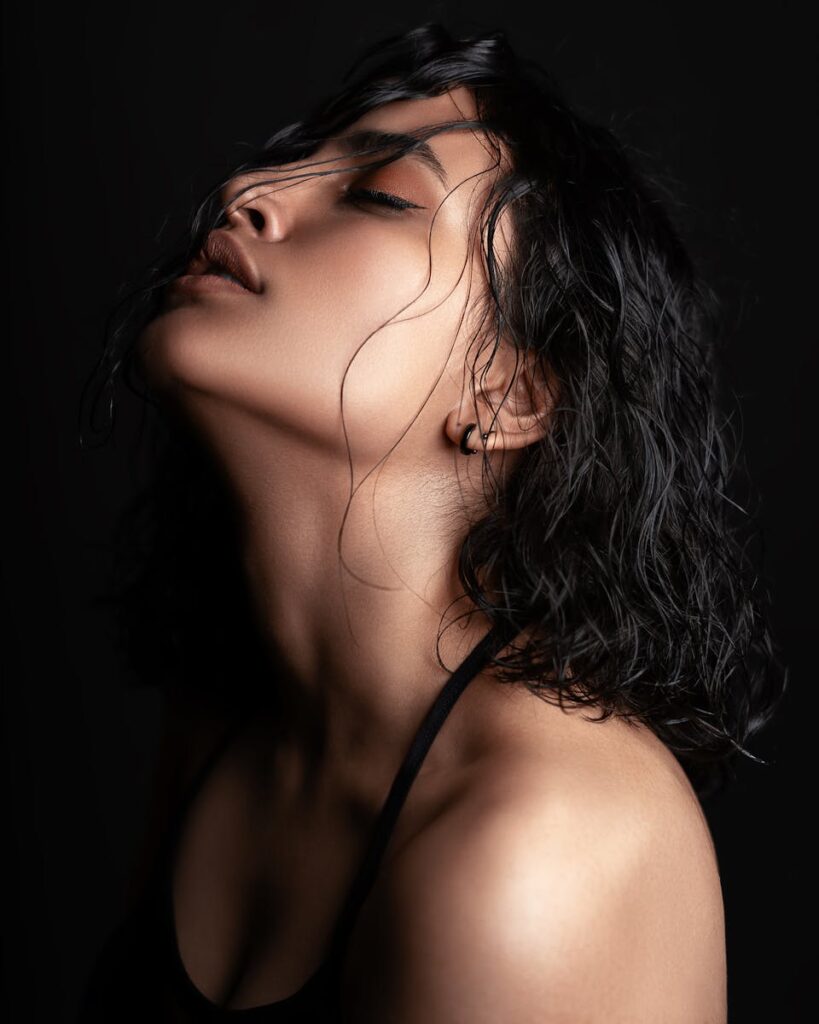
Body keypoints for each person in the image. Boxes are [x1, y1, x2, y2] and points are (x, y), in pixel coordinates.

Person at [76, 21, 785, 1024]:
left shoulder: (543, 841)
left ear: (508, 394)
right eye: (287, 166)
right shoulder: (230, 720)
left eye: (377, 195)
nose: (248, 195)